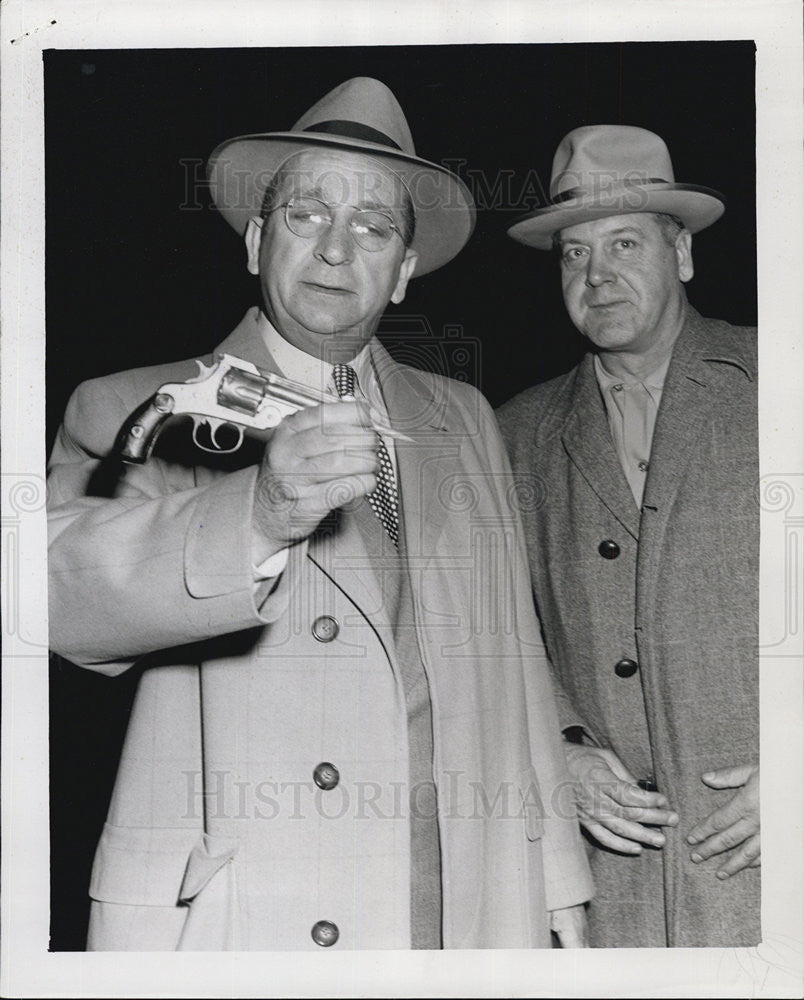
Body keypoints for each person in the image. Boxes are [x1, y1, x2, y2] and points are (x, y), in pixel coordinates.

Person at [47, 77, 592, 951]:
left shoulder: (464, 417)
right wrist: (256, 514)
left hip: (462, 893)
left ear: (404, 272)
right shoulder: (135, 406)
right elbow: (53, 597)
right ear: (258, 239)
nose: (339, 250)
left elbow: (516, 658)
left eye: (375, 229)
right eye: (307, 217)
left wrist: (557, 874)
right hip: (252, 910)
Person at [497, 125, 759, 948]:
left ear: (681, 254)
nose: (597, 274)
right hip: (615, 896)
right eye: (574, 254)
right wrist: (561, 753)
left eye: (623, 243)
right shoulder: (514, 433)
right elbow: (498, 640)